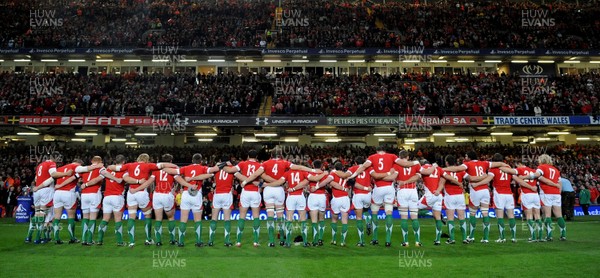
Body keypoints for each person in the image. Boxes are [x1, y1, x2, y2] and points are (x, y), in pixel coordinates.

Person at [241, 148, 319, 247]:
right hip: (279, 189)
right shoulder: (285, 162)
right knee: (280, 216)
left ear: (271, 155)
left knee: (270, 216)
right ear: (280, 155)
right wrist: (312, 169)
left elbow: (256, 174)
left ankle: (271, 241)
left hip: (268, 189)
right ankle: (282, 239)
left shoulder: (265, 163)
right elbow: (299, 167)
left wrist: (245, 181)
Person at [347, 146, 420, 246]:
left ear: (377, 151)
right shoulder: (392, 156)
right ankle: (388, 240)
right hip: (390, 188)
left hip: (378, 187)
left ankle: (375, 238)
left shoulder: (372, 157)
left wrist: (353, 176)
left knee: (374, 211)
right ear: (385, 151)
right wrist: (415, 162)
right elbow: (404, 163)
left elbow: (364, 167)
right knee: (389, 212)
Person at [107, 153, 178, 247]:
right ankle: (148, 239)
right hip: (142, 192)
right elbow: (163, 165)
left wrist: (108, 167)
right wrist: (175, 166)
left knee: (131, 216)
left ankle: (131, 241)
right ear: (147, 159)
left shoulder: (130, 165)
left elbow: (113, 168)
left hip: (131, 192)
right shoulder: (148, 165)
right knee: (148, 215)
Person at [443, 151, 507, 243]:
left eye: (466, 156)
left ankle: (471, 236)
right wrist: (506, 166)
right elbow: (500, 163)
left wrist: (441, 169)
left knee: (472, 213)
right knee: (485, 213)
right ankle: (485, 238)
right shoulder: (484, 163)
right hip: (485, 190)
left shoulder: (467, 164)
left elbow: (457, 169)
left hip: (475, 190)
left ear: (469, 157)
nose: (465, 157)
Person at [144, 154, 196, 246]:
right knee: (171, 217)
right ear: (171, 161)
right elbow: (180, 180)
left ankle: (158, 241)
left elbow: (150, 181)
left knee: (158, 219)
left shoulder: (156, 169)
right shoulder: (172, 170)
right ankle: (172, 239)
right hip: (167, 194)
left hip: (157, 194)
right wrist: (190, 186)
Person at [172, 153, 219, 247]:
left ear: (192, 160)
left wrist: (187, 183)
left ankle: (181, 242)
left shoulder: (185, 168)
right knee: (197, 219)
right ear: (201, 161)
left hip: (185, 193)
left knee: (183, 219)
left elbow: (175, 175)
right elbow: (213, 171)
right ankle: (198, 241)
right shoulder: (203, 168)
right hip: (197, 193)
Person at [519, 154, 566, 241]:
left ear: (542, 160)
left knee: (547, 215)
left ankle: (549, 235)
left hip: (546, 192)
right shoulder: (556, 170)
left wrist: (524, 177)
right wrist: (558, 191)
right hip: (556, 193)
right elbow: (560, 183)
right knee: (559, 215)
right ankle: (563, 234)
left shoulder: (542, 167)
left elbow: (536, 175)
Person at [28, 151, 72, 244]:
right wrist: (66, 174)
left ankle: (29, 236)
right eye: (59, 158)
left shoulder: (40, 165)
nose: (59, 160)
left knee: (37, 214)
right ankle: (38, 237)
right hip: (46, 190)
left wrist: (37, 187)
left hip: (37, 190)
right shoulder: (51, 163)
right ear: (55, 158)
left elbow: (36, 178)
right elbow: (53, 174)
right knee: (44, 214)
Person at [77, 156, 122, 245]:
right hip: (94, 194)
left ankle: (83, 239)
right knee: (92, 218)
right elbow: (99, 178)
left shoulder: (85, 168)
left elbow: (78, 179)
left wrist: (82, 185)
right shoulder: (100, 168)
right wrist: (116, 179)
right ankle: (89, 240)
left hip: (84, 195)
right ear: (100, 161)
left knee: (85, 217)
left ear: (91, 161)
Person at [477, 153, 517, 243]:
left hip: (499, 194)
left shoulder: (493, 169)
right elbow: (514, 179)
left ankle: (502, 237)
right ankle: (513, 237)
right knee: (511, 215)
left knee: (500, 216)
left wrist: (478, 184)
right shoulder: (508, 168)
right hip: (509, 194)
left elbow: (488, 179)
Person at [500, 161, 543, 242]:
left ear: (520, 164)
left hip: (527, 194)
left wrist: (501, 167)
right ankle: (540, 237)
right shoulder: (534, 171)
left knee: (529, 216)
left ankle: (533, 236)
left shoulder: (520, 170)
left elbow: (514, 175)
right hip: (535, 195)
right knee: (537, 215)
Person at [51, 159, 89, 244]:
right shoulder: (76, 167)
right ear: (79, 164)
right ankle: (72, 238)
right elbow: (73, 178)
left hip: (57, 193)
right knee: (71, 216)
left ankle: (56, 238)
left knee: (57, 216)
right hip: (68, 193)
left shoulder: (60, 168)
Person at [231, 150, 263, 247]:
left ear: (248, 156)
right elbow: (262, 180)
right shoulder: (260, 165)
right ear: (256, 156)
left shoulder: (242, 163)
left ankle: (238, 241)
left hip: (245, 192)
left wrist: (242, 178)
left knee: (242, 216)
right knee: (256, 216)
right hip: (255, 192)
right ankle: (256, 241)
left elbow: (234, 171)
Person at [96, 155, 127, 246]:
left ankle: (99, 240)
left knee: (105, 219)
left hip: (107, 197)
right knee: (117, 219)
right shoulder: (123, 171)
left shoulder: (108, 169)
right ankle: (119, 241)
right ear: (123, 162)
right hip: (117, 197)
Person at [208, 156, 237, 247]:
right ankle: (227, 241)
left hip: (217, 194)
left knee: (214, 218)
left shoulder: (216, 169)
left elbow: (211, 173)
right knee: (227, 219)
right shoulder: (232, 168)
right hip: (227, 194)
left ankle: (210, 241)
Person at [441, 155, 470, 244]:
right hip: (460, 196)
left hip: (450, 196)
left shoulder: (444, 171)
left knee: (450, 218)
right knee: (462, 217)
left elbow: (442, 183)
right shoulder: (461, 171)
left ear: (446, 162)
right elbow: (469, 178)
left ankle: (452, 239)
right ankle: (464, 238)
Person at [417, 159, 446, 245]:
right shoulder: (439, 169)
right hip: (438, 194)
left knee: (414, 209)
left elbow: (419, 176)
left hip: (429, 195)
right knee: (437, 218)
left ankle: (429, 214)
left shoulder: (423, 168)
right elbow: (444, 178)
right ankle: (438, 240)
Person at [346, 156, 373, 247]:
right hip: (368, 194)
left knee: (358, 217)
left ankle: (361, 241)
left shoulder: (353, 168)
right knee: (366, 210)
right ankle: (368, 221)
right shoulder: (369, 168)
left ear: (356, 163)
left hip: (358, 194)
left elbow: (347, 175)